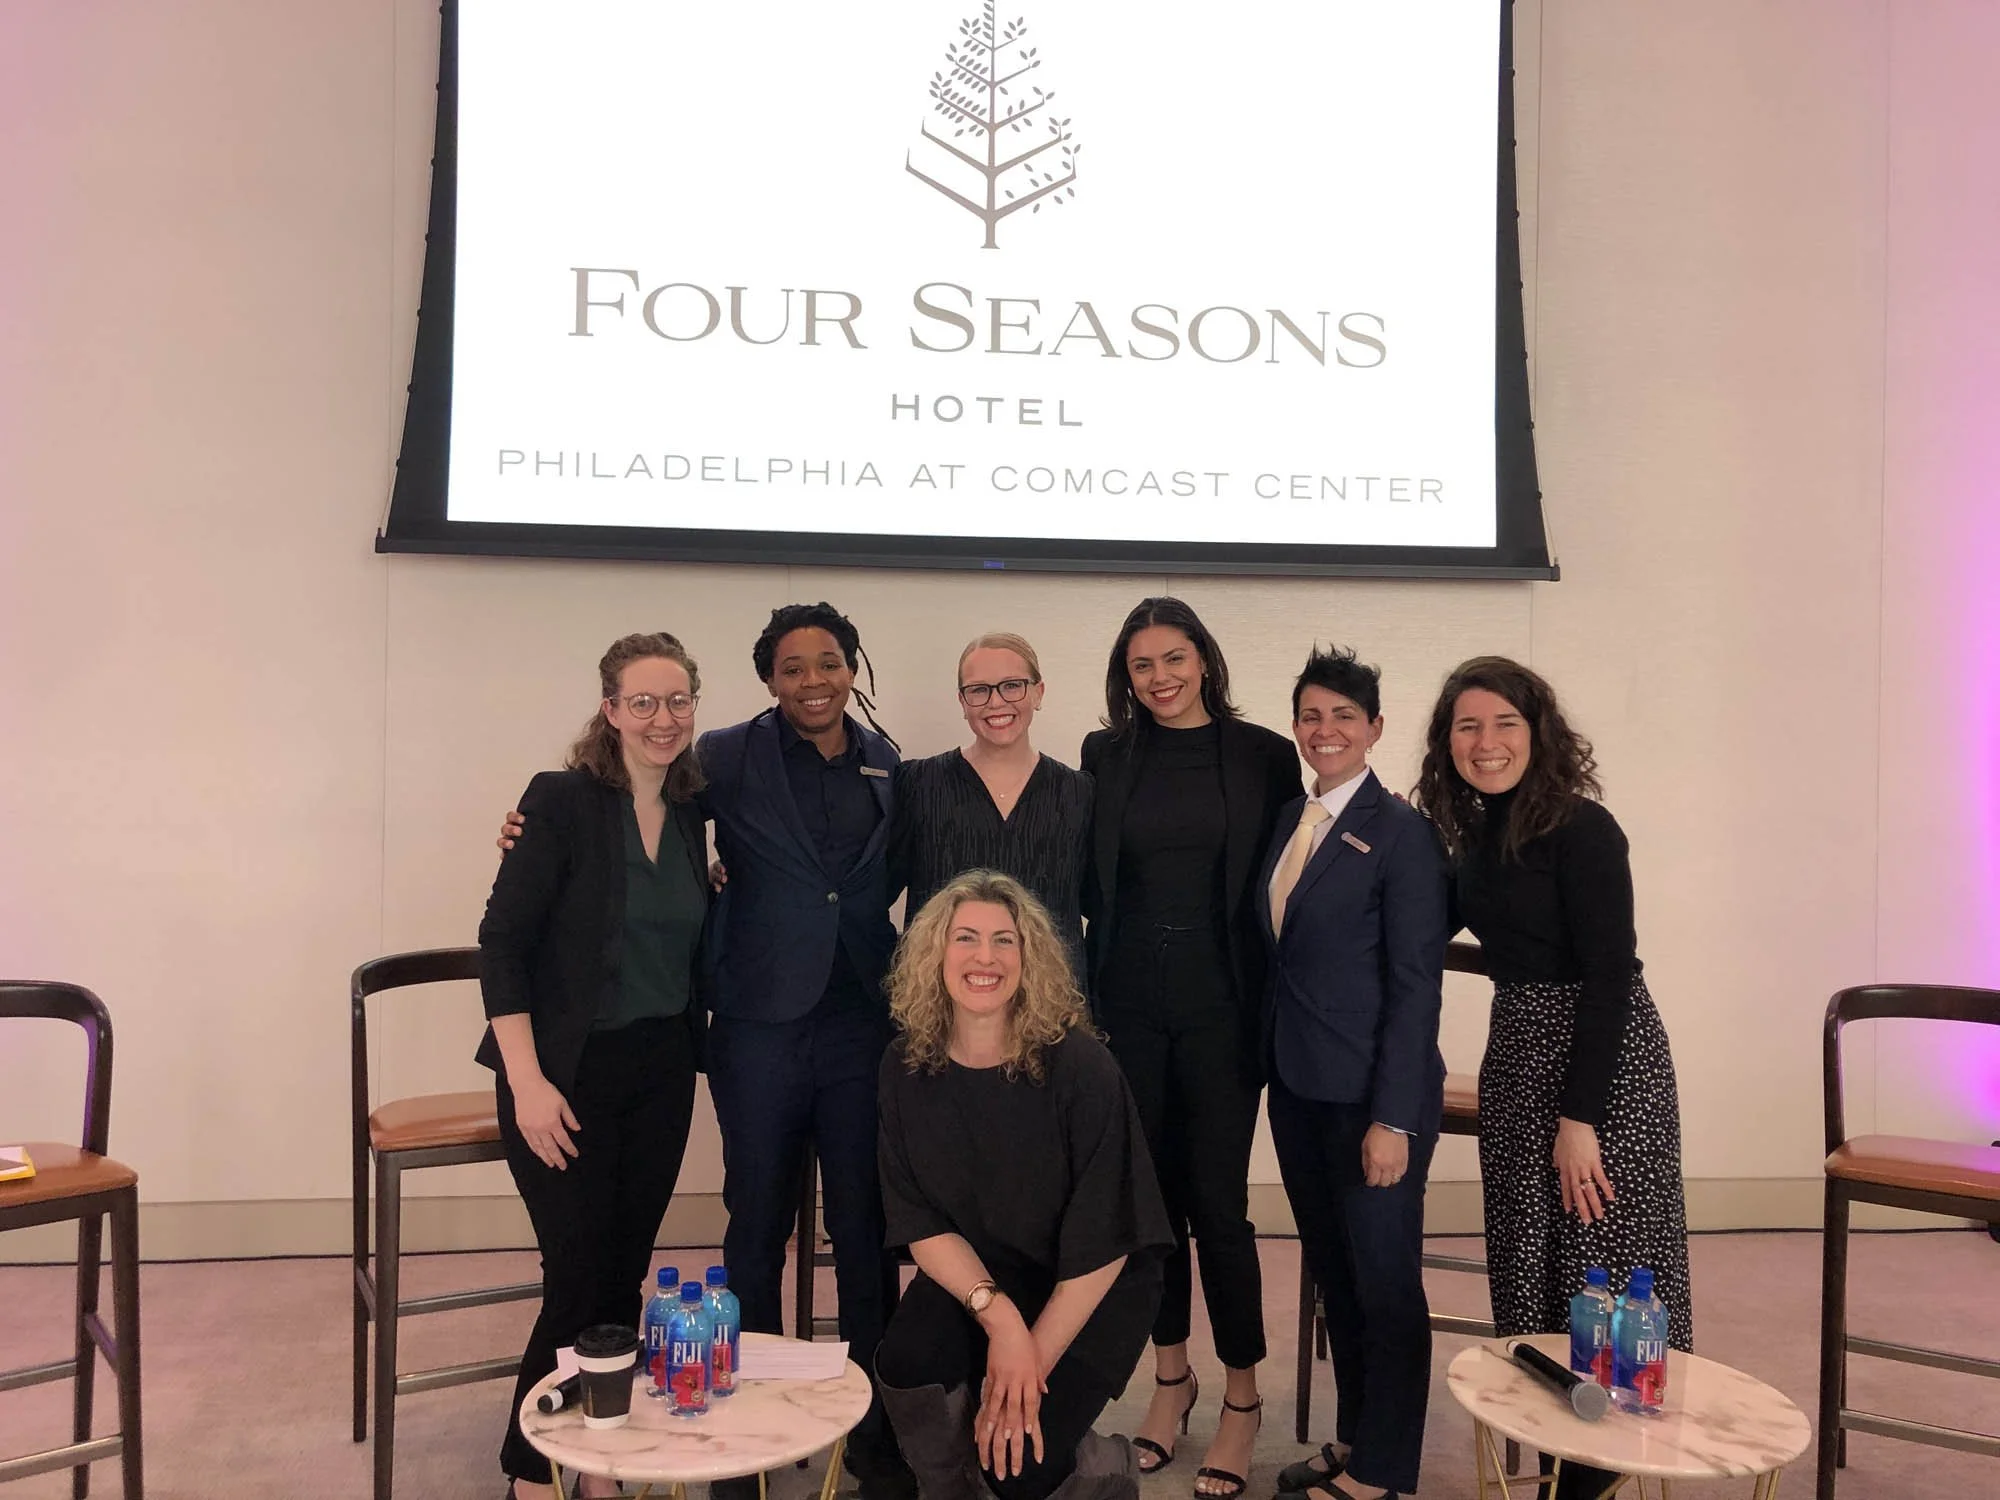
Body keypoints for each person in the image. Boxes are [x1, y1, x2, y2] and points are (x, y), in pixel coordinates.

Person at [498, 603, 912, 1500]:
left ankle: (881, 1429)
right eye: (793, 667)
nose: (814, 680)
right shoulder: (719, 757)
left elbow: (888, 876)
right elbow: (583, 841)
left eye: (830, 663)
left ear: (852, 668)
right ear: (768, 680)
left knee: (867, 1229)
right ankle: (741, 1433)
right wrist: (521, 829)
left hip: (856, 1024)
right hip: (756, 1025)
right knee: (755, 1226)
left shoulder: (887, 764)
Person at [1414, 656, 1694, 1500]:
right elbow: (1426, 914)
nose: (1486, 741)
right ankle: (1558, 1452)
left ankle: (1596, 1470)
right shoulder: (1477, 839)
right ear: (1446, 743)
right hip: (1519, 1058)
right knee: (1529, 1263)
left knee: (1603, 1263)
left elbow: (1612, 974)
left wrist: (1582, 1119)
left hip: (1604, 1070)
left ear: (1538, 733)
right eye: (1467, 726)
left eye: (1504, 723)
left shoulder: (1584, 829)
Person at [476, 632, 710, 1500]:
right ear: (609, 710)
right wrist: (527, 1083)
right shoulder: (561, 802)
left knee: (622, 1276)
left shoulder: (692, 811)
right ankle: (530, 1473)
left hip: (659, 1069)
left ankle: (597, 1458)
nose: (662, 718)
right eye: (642, 702)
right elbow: (501, 945)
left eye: (678, 700)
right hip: (561, 1074)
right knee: (576, 1273)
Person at [1078, 597, 1300, 1499]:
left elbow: (1299, 866)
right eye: (1142, 666)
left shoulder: (1262, 756)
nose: (1160, 678)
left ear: (1203, 659)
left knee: (1218, 1206)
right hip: (1128, 1004)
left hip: (1223, 1006)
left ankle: (1242, 1398)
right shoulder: (1105, 754)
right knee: (1150, 1212)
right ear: (1124, 679)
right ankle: (1171, 1381)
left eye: (1174, 659)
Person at [875, 871, 1174, 1500]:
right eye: (966, 938)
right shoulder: (905, 1065)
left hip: (1093, 1286)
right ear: (936, 955)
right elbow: (920, 1222)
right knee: (907, 1365)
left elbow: (1108, 1238)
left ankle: (1102, 1472)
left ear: (1028, 957)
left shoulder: (1081, 1067)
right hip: (987, 1275)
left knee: (1020, 1462)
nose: (985, 957)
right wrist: (1001, 1320)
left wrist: (1027, 1359)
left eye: (1004, 941)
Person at [1259, 648, 1448, 1500]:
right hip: (1299, 1089)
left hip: (1373, 1099)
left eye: (1343, 715)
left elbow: (1416, 986)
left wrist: (1397, 1118)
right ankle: (1354, 1438)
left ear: (1375, 727)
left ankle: (1384, 1470)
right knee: (1338, 1277)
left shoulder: (1403, 834)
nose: (1324, 730)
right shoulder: (1291, 821)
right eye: (1310, 715)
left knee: (1386, 1284)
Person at [891, 632, 1093, 977]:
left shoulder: (1079, 792)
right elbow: (874, 891)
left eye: (1012, 685)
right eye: (979, 690)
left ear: (1038, 692)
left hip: (1049, 1005)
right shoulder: (918, 784)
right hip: (941, 1006)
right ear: (962, 700)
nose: (996, 702)